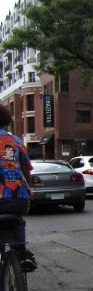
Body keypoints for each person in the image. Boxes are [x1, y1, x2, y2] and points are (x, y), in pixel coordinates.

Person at [0, 105, 37, 271]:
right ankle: (21, 254)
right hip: (18, 198)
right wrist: (28, 188)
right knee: (17, 221)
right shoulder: (16, 141)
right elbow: (27, 169)